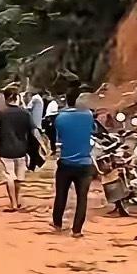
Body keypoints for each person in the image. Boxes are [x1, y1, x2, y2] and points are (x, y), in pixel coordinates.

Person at [51, 83, 95, 237]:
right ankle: (77, 230)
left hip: (65, 162)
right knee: (82, 198)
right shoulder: (88, 115)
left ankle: (57, 223)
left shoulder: (60, 118)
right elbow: (93, 131)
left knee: (61, 194)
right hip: (84, 164)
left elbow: (59, 137)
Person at [0, 85, 34, 212]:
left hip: (5, 150)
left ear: (6, 98)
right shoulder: (25, 113)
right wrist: (42, 146)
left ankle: (13, 203)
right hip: (21, 149)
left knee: (10, 176)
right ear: (17, 98)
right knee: (19, 177)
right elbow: (34, 131)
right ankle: (17, 199)